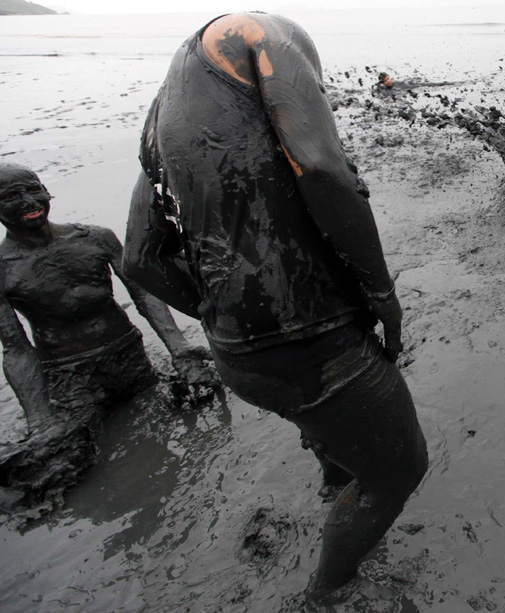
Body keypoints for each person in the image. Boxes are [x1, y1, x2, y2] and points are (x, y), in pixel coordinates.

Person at [122, 13, 428, 600]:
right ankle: (328, 591)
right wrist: (382, 293)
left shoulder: (160, 115)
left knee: (327, 427)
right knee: (398, 473)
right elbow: (320, 166)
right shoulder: (259, 35)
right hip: (314, 341)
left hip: (240, 359)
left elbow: (140, 257)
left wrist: (221, 312)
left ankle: (333, 478)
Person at [0, 162, 214, 507]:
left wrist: (179, 347)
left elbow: (144, 293)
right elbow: (15, 348)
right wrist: (41, 418)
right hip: (70, 377)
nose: (28, 201)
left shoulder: (95, 238)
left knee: (168, 421)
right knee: (69, 467)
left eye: (33, 188)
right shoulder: (4, 268)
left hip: (130, 357)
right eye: (11, 196)